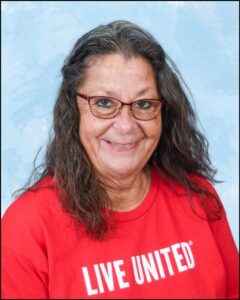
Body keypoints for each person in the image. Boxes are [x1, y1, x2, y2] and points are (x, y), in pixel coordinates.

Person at [1, 20, 239, 299]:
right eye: (104, 103)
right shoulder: (27, 227)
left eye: (144, 104)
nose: (126, 126)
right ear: (73, 111)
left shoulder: (198, 197)